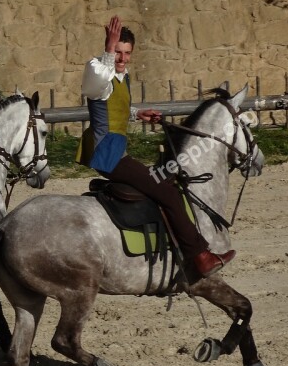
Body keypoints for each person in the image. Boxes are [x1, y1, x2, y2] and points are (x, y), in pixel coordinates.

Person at [76, 15, 235, 278]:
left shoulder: (120, 75)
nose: (122, 58)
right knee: (168, 193)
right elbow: (94, 89)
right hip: (107, 153)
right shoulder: (98, 69)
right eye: (118, 52)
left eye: (127, 53)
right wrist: (107, 48)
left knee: (168, 182)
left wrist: (137, 114)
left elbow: (110, 106)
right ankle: (201, 256)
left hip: (116, 151)